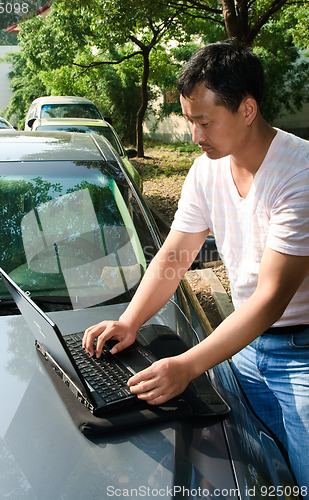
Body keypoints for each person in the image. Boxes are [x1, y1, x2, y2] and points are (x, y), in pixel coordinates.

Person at [82, 40, 309, 492]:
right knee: (258, 472)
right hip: (244, 348)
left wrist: (186, 366)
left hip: (300, 356)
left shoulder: (298, 174)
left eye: (203, 121)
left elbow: (269, 300)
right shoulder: (207, 169)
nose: (195, 136)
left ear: (247, 109)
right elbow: (174, 255)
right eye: (190, 121)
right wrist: (130, 321)